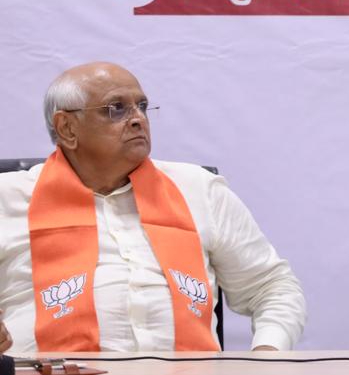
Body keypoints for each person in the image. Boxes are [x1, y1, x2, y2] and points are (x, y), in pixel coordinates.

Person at [0, 62, 306, 353]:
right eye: (116, 109)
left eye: (142, 106)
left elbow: (272, 287)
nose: (138, 119)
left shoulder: (198, 189)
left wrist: (268, 354)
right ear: (67, 128)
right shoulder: (8, 197)